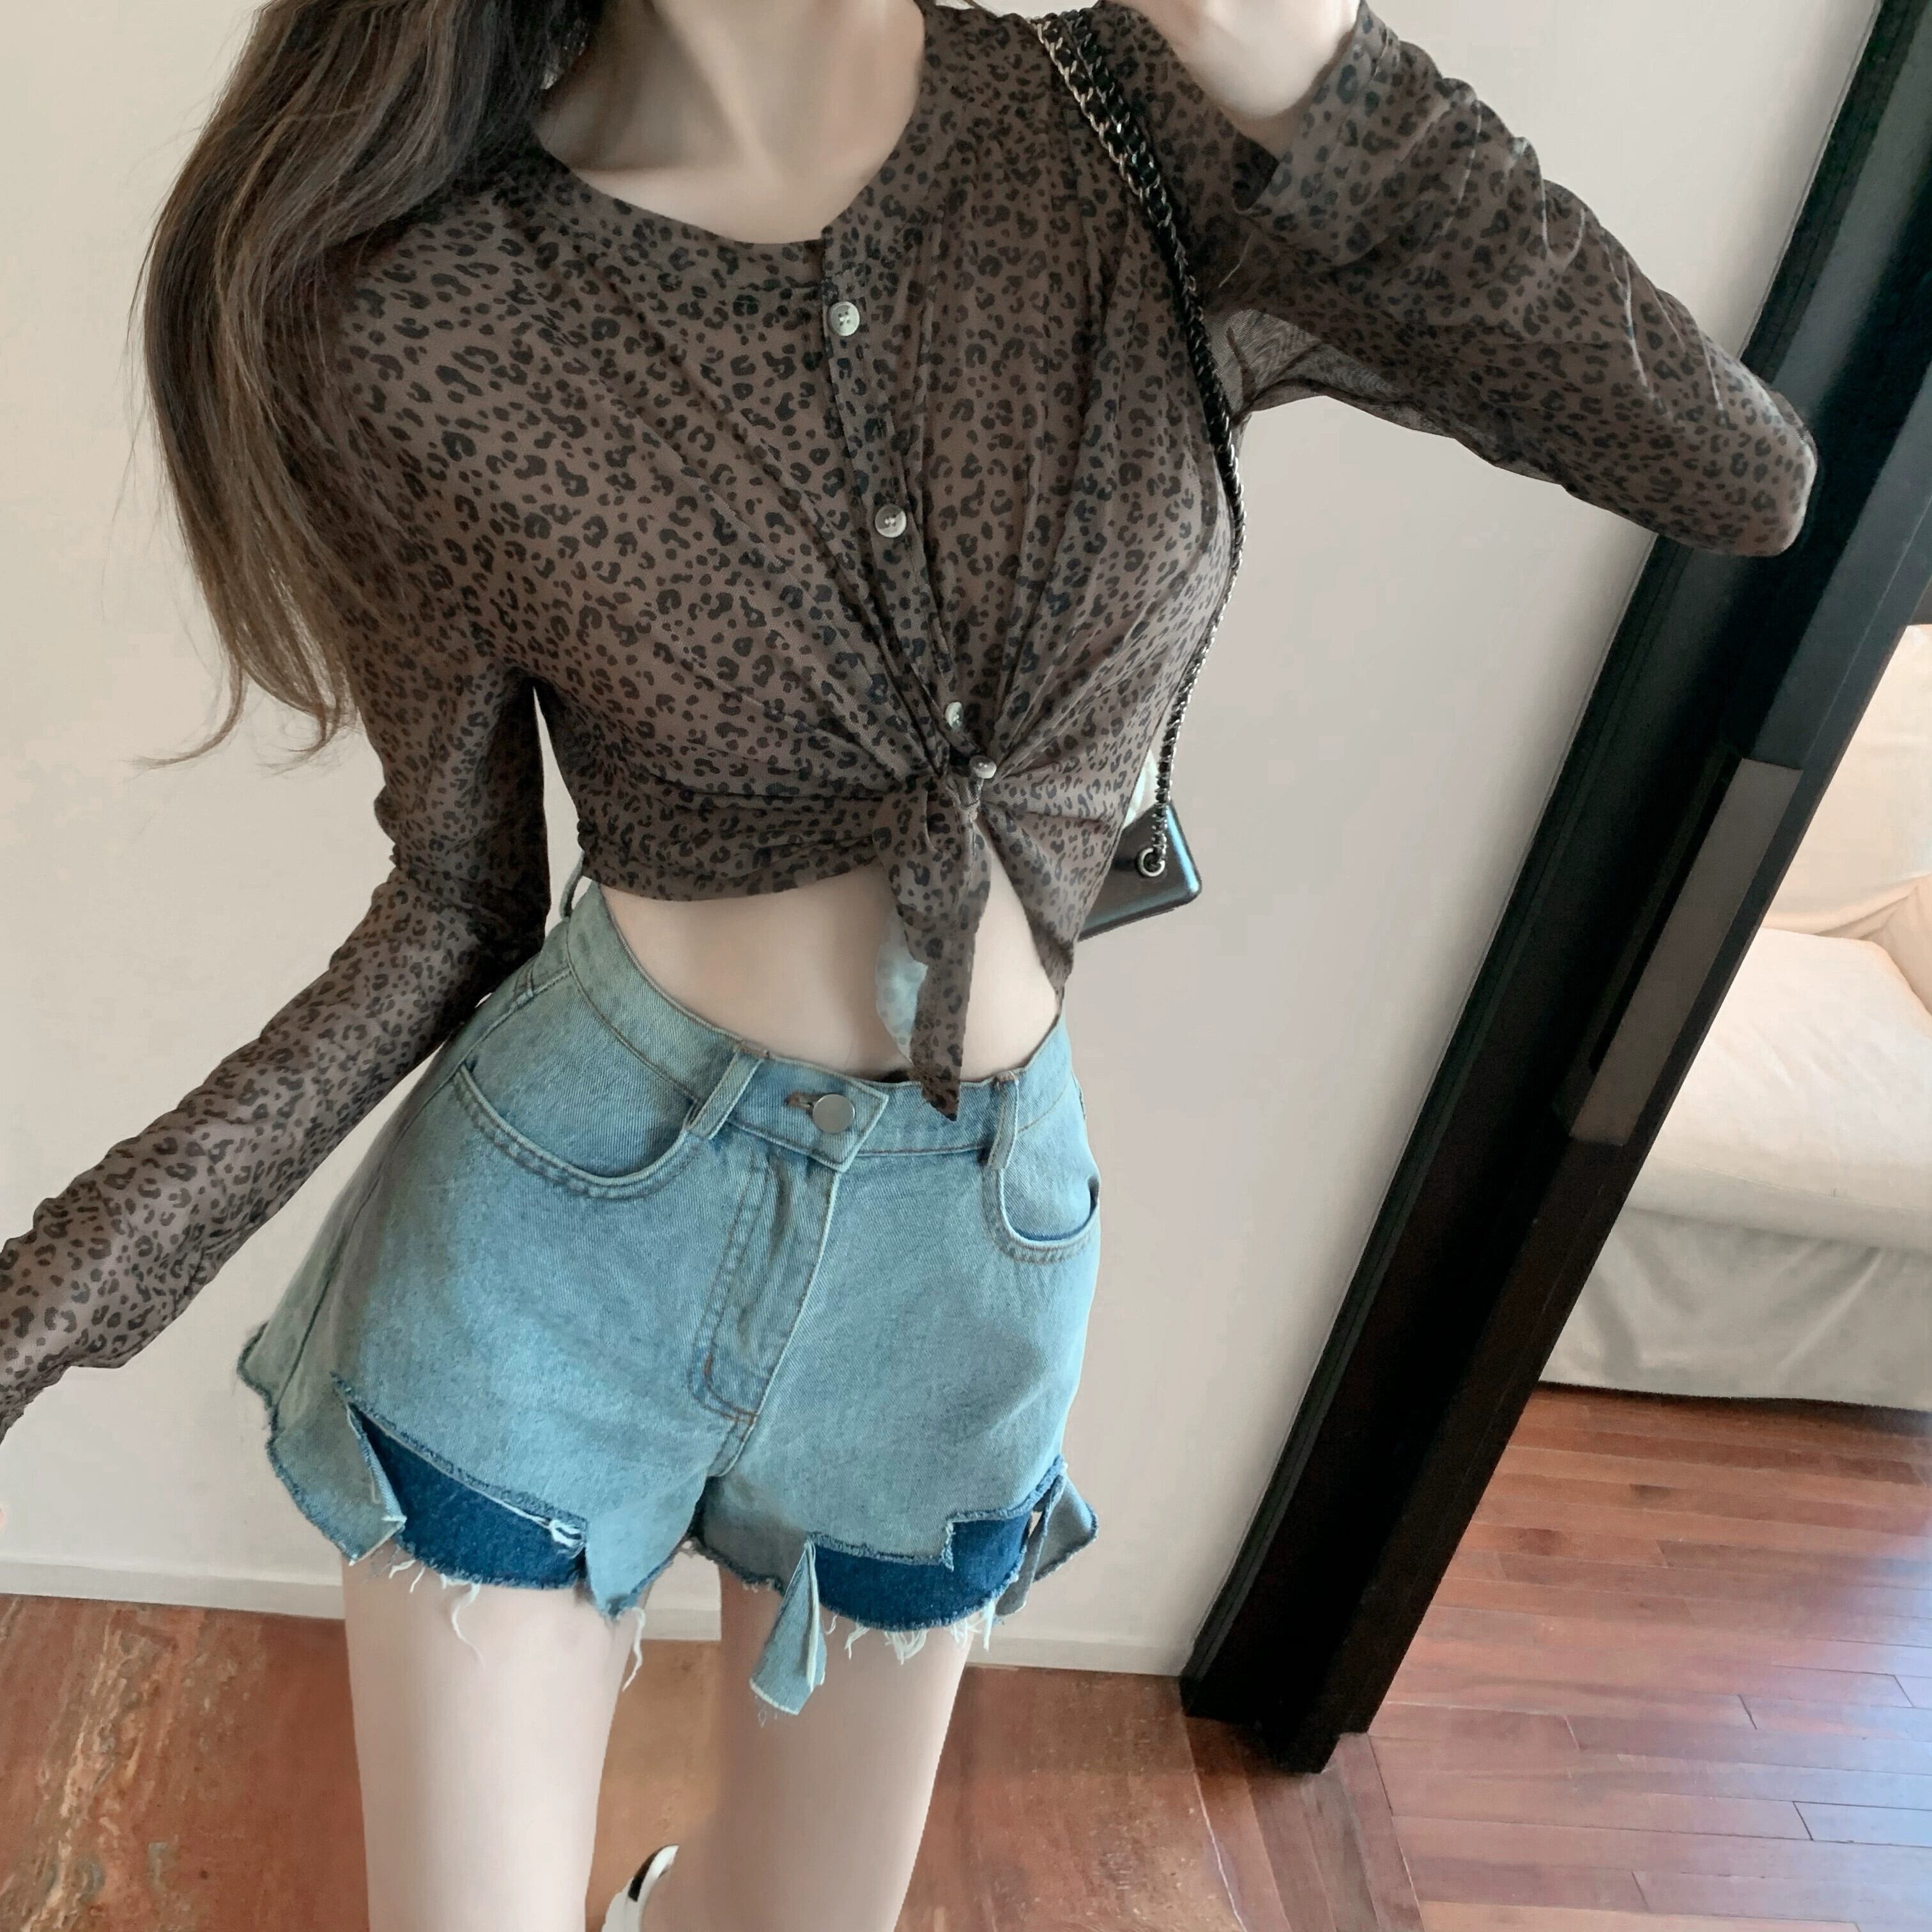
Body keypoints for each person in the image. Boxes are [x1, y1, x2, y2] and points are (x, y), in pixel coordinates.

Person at [1, 0, 1817, 1923]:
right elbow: (454, 907)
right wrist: (47, 1293)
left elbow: (1737, 473)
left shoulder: (1134, 133)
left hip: (964, 1270)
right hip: (561, 1242)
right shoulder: (426, 305)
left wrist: (1301, 61)